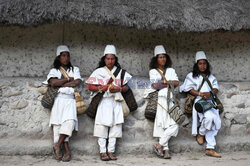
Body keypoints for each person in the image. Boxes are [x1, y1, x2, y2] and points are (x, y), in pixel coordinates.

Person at [86, 45, 132, 161]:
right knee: (102, 126)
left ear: (115, 59)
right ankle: (102, 151)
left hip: (116, 101)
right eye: (108, 59)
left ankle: (111, 150)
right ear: (104, 59)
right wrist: (102, 87)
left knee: (116, 126)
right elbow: (89, 86)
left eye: (112, 59)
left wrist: (119, 89)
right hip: (104, 102)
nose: (110, 61)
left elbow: (126, 87)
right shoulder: (98, 72)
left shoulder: (121, 72)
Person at [43, 45, 82, 161]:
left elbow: (78, 82)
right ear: (58, 57)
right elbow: (53, 82)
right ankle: (65, 149)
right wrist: (69, 79)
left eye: (68, 55)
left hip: (70, 100)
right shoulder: (54, 71)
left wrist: (62, 83)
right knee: (58, 126)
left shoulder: (75, 69)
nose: (66, 58)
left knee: (69, 123)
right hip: (58, 100)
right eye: (63, 55)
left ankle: (57, 145)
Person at [180, 51, 221, 158]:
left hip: (210, 102)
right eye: (200, 63)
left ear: (207, 65)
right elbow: (186, 88)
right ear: (196, 65)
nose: (202, 66)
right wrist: (200, 94)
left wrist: (210, 93)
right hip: (199, 102)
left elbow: (216, 87)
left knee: (215, 121)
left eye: (204, 63)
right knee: (209, 118)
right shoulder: (191, 76)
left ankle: (210, 148)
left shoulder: (210, 76)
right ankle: (201, 133)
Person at [144, 45, 179, 159]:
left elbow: (177, 82)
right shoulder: (153, 71)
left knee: (175, 124)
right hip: (160, 99)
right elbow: (155, 85)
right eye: (160, 57)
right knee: (162, 124)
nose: (163, 59)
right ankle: (166, 149)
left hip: (170, 100)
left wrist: (164, 82)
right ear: (156, 59)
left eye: (164, 57)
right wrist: (169, 82)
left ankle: (159, 145)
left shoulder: (171, 70)